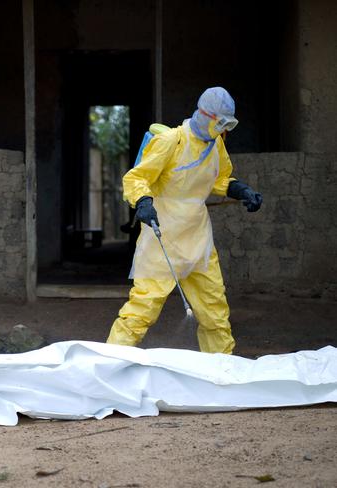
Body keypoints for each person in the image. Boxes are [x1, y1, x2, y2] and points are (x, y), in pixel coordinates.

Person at [106, 87, 263, 354]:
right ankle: (107, 365)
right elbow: (136, 178)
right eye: (221, 122)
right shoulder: (171, 141)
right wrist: (143, 201)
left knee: (214, 311)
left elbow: (221, 179)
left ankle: (221, 371)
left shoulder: (216, 146)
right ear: (205, 115)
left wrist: (241, 190)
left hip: (197, 239)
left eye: (228, 124)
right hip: (163, 237)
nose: (224, 130)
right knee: (141, 311)